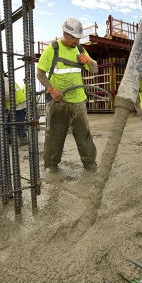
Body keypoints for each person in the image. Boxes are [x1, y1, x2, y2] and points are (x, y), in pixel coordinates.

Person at [36, 17, 99, 173]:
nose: (76, 41)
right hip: (58, 101)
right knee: (55, 135)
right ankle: (51, 165)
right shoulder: (53, 49)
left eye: (78, 38)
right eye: (73, 38)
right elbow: (40, 73)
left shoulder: (80, 50)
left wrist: (88, 61)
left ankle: (90, 163)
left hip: (78, 101)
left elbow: (95, 69)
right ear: (64, 33)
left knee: (84, 135)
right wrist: (51, 89)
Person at [4, 75, 29, 146]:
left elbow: (7, 94)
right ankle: (9, 140)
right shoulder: (7, 80)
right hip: (14, 105)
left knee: (19, 123)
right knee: (8, 123)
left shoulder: (4, 80)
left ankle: (24, 141)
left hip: (18, 104)